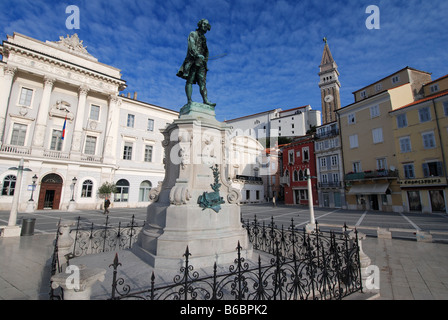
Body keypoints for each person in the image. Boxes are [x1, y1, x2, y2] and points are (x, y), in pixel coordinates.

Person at [177, 19, 216, 107]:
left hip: (201, 63)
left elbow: (206, 51)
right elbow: (192, 45)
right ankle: (189, 100)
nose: (205, 26)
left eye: (207, 25)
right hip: (192, 61)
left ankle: (205, 100)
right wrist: (197, 54)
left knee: (202, 83)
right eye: (204, 24)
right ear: (200, 24)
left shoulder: (204, 39)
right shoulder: (193, 34)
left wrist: (205, 59)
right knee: (189, 80)